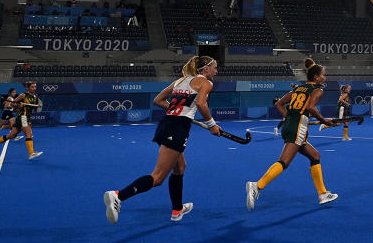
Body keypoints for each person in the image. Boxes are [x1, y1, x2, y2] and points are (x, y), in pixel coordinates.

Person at [102, 55, 221, 224]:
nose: (216, 71)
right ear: (206, 69)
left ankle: (177, 210)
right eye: (215, 68)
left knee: (180, 167)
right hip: (178, 127)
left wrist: (177, 109)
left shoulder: (181, 81)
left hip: (166, 124)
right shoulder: (206, 83)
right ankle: (118, 196)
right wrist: (211, 125)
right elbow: (201, 103)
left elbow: (158, 100)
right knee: (157, 178)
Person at [247, 59, 338, 210]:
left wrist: (288, 116)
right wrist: (324, 121)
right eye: (323, 75)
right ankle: (257, 185)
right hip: (298, 128)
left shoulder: (297, 89)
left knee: (315, 156)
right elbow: (311, 107)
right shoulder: (318, 90)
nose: (325, 78)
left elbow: (278, 104)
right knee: (284, 162)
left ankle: (322, 194)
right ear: (316, 77)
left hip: (290, 125)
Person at [0, 82, 42, 158]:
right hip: (23, 117)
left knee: (11, 135)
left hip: (26, 117)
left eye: (35, 87)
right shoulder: (23, 95)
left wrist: (38, 106)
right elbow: (12, 104)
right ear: (28, 88)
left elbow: (33, 108)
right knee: (28, 134)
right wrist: (19, 105)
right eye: (32, 87)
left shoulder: (35, 96)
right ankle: (31, 153)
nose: (34, 88)